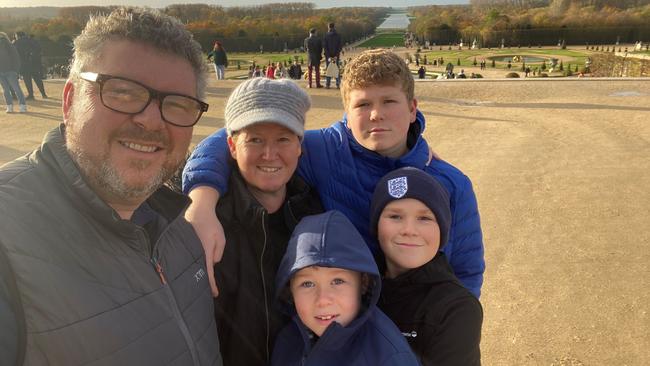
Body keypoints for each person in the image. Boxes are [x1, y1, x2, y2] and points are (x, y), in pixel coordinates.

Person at [0, 7, 222, 365]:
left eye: (178, 104)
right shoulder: (7, 236)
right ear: (70, 100)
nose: (150, 121)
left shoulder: (178, 221)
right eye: (122, 92)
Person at [182, 49, 485, 299]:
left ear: (412, 108)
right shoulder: (322, 148)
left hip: (421, 325)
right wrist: (202, 201)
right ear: (347, 112)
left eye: (389, 101)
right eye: (363, 104)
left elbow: (467, 272)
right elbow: (235, 137)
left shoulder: (451, 182)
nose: (376, 114)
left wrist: (452, 329)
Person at [206, 77, 323, 366]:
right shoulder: (206, 224)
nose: (269, 154)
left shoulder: (316, 215)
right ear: (232, 147)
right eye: (255, 139)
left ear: (299, 146)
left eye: (283, 139)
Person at [271, 211, 419, 366]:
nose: (323, 300)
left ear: (363, 284)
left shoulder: (388, 357)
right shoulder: (287, 342)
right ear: (290, 289)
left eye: (337, 281)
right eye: (307, 284)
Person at [370, 167, 483, 365]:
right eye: (395, 216)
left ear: (442, 230)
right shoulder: (359, 287)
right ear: (376, 226)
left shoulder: (456, 309)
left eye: (424, 218)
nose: (409, 230)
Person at [0, 32, 27, 113]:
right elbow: (16, 58)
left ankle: (20, 106)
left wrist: (15, 70)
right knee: (8, 89)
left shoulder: (8, 45)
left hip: (10, 71)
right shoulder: (10, 45)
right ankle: (12, 106)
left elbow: (16, 58)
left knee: (14, 89)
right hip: (3, 71)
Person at [323, 22, 342, 88]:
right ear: (334, 27)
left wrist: (328, 56)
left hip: (329, 56)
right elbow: (339, 47)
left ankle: (328, 84)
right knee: (336, 69)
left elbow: (325, 47)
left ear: (328, 27)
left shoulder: (326, 35)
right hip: (336, 56)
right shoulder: (338, 35)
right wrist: (336, 56)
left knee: (329, 70)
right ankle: (338, 84)